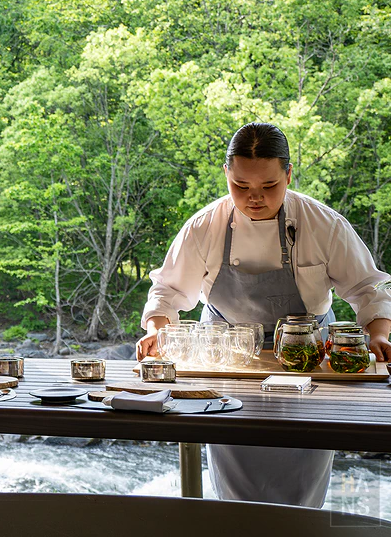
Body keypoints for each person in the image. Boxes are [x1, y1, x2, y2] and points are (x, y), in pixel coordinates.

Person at [136, 122, 391, 507]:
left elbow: (368, 288)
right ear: (226, 173)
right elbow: (169, 292)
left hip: (308, 364)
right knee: (237, 476)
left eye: (269, 186)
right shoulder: (205, 226)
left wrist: (378, 334)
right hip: (228, 364)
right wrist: (158, 330)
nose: (254, 197)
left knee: (302, 476)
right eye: (241, 186)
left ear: (289, 174)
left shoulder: (324, 224)